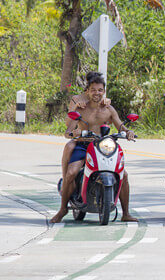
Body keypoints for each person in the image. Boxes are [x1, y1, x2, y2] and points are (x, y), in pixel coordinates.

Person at [51, 72, 137, 223]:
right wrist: (74, 132)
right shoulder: (80, 109)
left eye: (99, 90)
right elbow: (68, 132)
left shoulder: (109, 109)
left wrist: (128, 132)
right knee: (71, 173)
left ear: (104, 91)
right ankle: (63, 208)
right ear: (87, 91)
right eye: (93, 90)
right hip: (84, 145)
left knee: (124, 175)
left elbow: (120, 126)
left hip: (103, 146)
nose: (96, 93)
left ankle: (126, 213)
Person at [60, 76, 111, 180]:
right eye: (92, 88)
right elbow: (68, 123)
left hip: (98, 141)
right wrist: (76, 108)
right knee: (69, 147)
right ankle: (66, 180)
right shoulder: (77, 99)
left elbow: (110, 120)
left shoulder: (103, 100)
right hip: (81, 137)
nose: (96, 92)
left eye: (99, 89)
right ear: (88, 88)